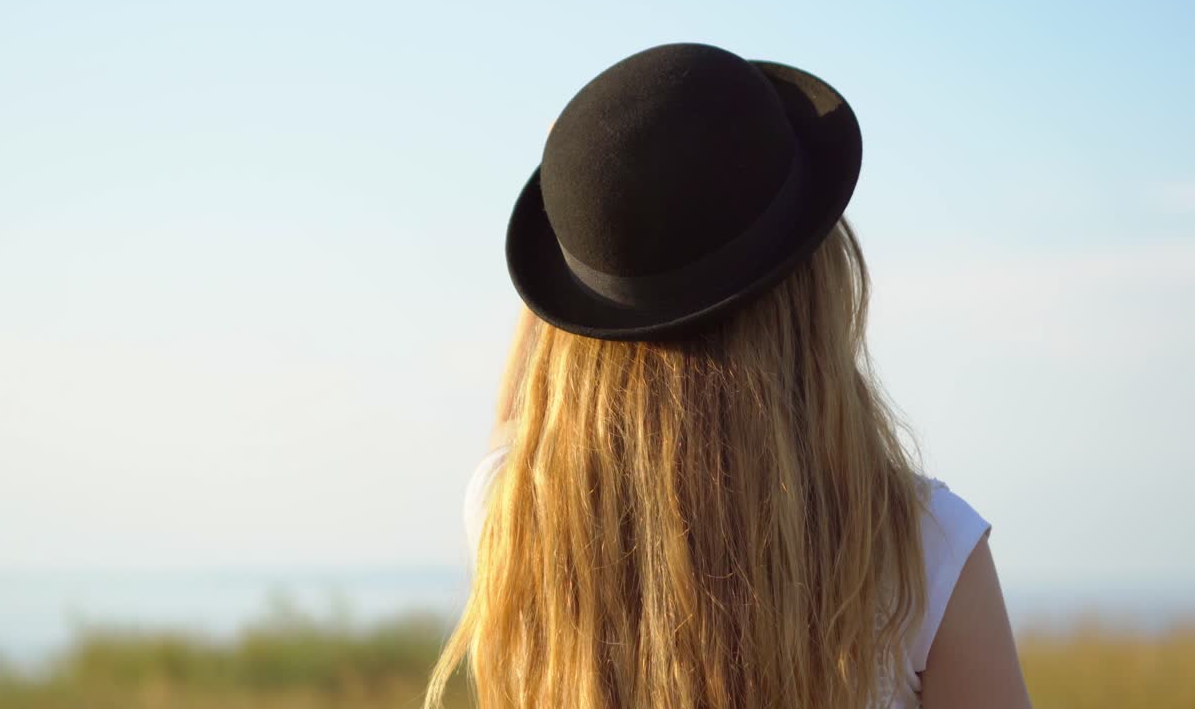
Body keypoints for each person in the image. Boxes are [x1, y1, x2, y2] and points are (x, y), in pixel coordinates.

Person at [424, 43, 1031, 709]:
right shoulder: (921, 547)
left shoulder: (523, 517)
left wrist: (567, 233)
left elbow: (516, 423)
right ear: (818, 287)